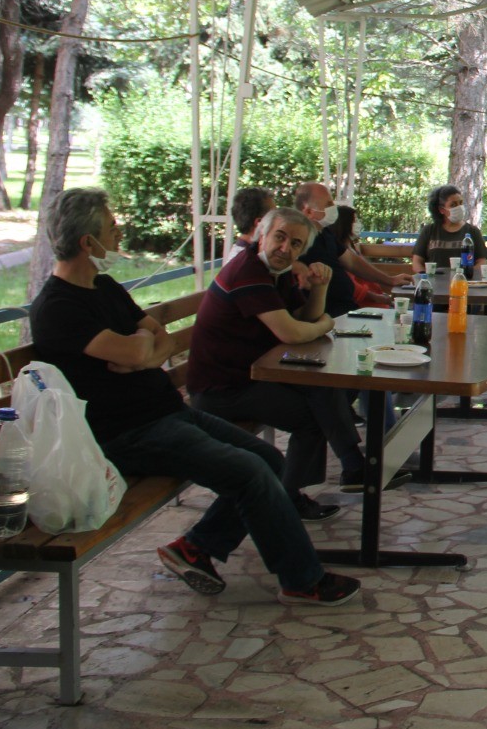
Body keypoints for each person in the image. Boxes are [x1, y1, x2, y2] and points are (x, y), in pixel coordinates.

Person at [28, 188, 360, 606]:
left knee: (270, 461)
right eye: (111, 227)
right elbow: (140, 347)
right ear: (86, 241)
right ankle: (301, 578)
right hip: (126, 433)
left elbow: (161, 342)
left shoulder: (105, 286)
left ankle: (196, 547)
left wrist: (143, 352)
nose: (119, 233)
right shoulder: (58, 307)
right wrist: (142, 350)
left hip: (167, 412)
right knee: (251, 471)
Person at [187, 206, 398, 509]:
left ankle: (352, 466)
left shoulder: (278, 271)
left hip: (256, 372)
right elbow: (292, 332)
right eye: (280, 237)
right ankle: (289, 500)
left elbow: (302, 315)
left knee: (323, 386)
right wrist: (327, 323)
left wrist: (320, 289)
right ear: (263, 234)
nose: (285, 248)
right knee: (311, 416)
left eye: (296, 244)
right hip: (222, 389)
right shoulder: (248, 272)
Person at [295, 182, 397, 318]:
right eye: (328, 204)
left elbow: (352, 262)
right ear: (308, 211)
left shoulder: (325, 233)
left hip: (347, 309)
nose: (333, 208)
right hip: (326, 314)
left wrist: (390, 280)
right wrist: (296, 266)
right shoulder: (297, 238)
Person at [412, 183, 487, 276]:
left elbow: (481, 261)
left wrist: (467, 277)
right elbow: (416, 262)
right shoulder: (429, 231)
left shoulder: (473, 231)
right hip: (435, 284)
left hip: (464, 284)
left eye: (461, 203)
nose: (459, 207)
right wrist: (425, 277)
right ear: (441, 210)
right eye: (453, 205)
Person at [332, 206, 393, 308]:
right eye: (355, 221)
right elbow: (350, 285)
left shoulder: (352, 246)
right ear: (345, 224)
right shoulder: (339, 251)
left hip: (375, 300)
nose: (358, 224)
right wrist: (376, 297)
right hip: (361, 305)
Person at [227, 187, 275, 261]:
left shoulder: (247, 254)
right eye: (274, 217)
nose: (277, 221)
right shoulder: (247, 261)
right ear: (260, 223)